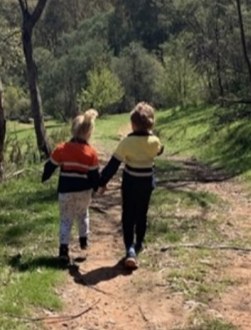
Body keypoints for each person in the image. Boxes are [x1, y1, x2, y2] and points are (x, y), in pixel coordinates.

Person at [98, 102, 164, 269]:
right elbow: (160, 150)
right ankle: (139, 242)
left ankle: (130, 250)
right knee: (142, 214)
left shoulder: (127, 143)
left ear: (133, 124)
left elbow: (113, 165)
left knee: (128, 215)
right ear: (151, 123)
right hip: (147, 184)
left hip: (130, 184)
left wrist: (101, 181)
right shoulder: (155, 141)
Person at [42, 109, 100, 264]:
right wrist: (98, 187)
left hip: (66, 191)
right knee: (83, 214)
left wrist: (45, 177)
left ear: (73, 130)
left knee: (65, 220)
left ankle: (63, 250)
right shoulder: (91, 153)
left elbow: (50, 166)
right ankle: (83, 239)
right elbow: (94, 176)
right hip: (84, 191)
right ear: (89, 133)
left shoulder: (62, 148)